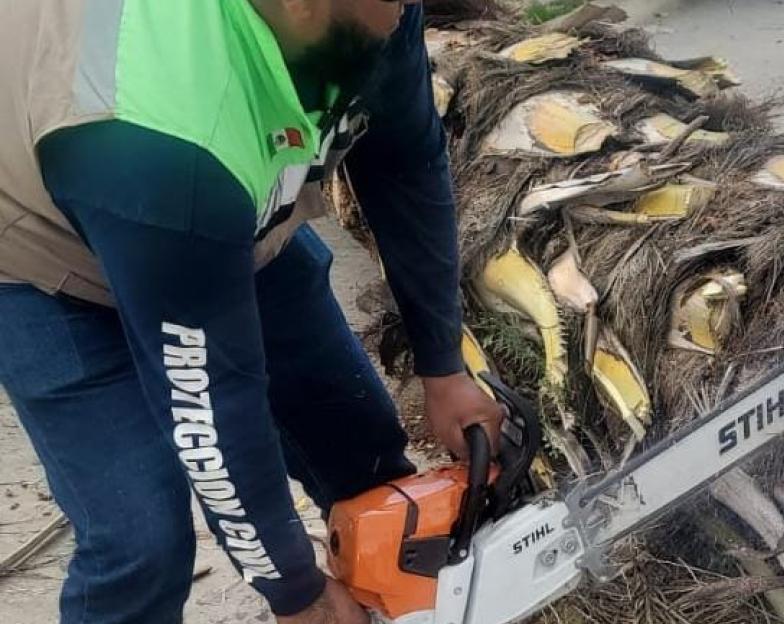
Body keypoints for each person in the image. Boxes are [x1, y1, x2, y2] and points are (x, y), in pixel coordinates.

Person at [0, 1, 502, 622]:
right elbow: (209, 406)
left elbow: (405, 166)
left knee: (359, 449)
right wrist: (294, 589)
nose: (404, 11)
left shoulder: (375, 14)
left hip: (212, 213)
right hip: (43, 262)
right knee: (142, 541)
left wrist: (443, 366)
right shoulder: (168, 127)